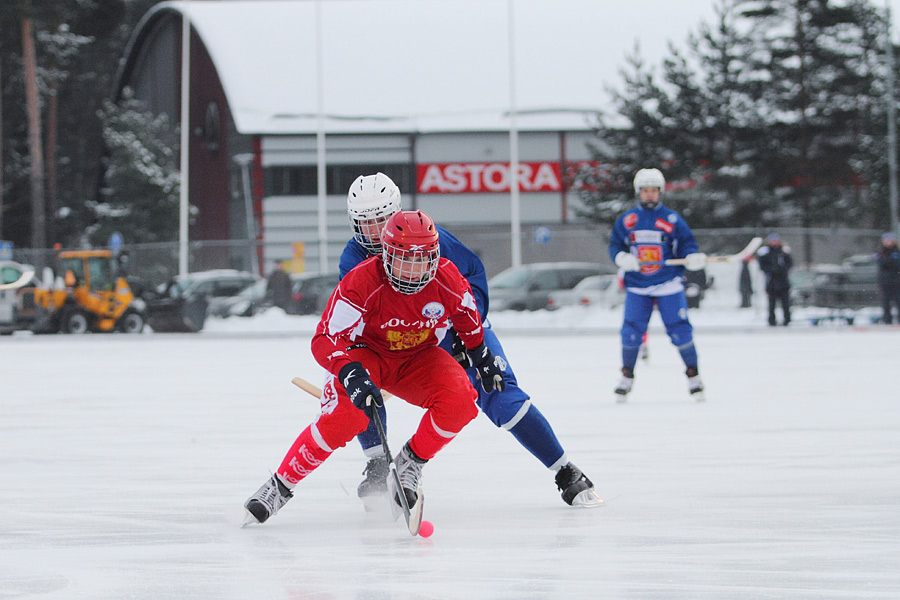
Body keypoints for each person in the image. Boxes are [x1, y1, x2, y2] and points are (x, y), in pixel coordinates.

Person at [340, 173, 600, 508]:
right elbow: (352, 319)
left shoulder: (427, 236)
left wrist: (466, 331)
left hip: (452, 328)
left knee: (499, 391)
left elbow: (472, 278)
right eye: (366, 223)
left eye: (381, 221)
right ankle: (377, 464)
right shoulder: (354, 259)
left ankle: (565, 470)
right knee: (358, 385)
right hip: (402, 338)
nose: (375, 233)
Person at [243, 210, 505, 524]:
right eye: (405, 260)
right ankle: (280, 485)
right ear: (387, 255)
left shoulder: (448, 278)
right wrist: (347, 370)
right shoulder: (362, 279)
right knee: (346, 417)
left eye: (423, 260)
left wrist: (482, 357)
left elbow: (468, 319)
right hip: (367, 354)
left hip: (417, 357)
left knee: (462, 401)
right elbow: (325, 337)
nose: (414, 271)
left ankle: (411, 463)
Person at [608, 168, 708, 402]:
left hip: (668, 284)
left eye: (654, 191)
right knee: (631, 333)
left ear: (660, 192)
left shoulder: (672, 219)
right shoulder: (628, 220)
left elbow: (686, 244)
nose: (650, 195)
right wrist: (622, 258)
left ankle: (694, 376)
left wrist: (692, 257)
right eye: (645, 191)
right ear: (638, 193)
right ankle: (626, 376)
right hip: (638, 286)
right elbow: (615, 245)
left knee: (680, 331)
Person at [756, 233, 793, 326]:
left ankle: (787, 319)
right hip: (771, 281)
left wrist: (782, 270)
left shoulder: (783, 252)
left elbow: (789, 263)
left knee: (785, 302)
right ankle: (772, 320)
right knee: (771, 303)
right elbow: (762, 265)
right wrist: (771, 270)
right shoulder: (765, 253)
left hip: (783, 281)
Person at [875, 232, 900, 324]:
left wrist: (889, 262)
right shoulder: (880, 252)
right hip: (885, 282)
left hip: (897, 281)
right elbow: (882, 263)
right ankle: (887, 320)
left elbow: (896, 264)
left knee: (898, 301)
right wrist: (891, 261)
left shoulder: (897, 251)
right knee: (886, 302)